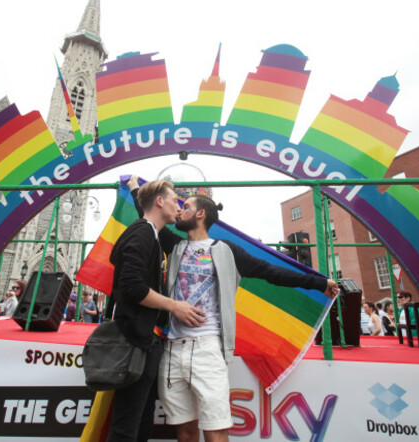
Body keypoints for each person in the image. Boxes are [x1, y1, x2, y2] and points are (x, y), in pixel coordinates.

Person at [128, 177, 339, 442]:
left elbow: (271, 272)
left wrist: (320, 283)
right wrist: (136, 188)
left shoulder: (226, 250)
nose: (180, 210)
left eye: (186, 207)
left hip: (208, 348)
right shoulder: (175, 244)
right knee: (184, 430)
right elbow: (147, 214)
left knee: (215, 430)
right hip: (172, 349)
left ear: (201, 214)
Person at [106, 179, 204, 442]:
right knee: (127, 425)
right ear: (160, 202)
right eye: (174, 199)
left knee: (141, 420)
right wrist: (175, 306)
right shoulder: (141, 232)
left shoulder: (151, 232)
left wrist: (138, 189)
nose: (178, 205)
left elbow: (147, 209)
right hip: (136, 340)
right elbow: (132, 287)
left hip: (148, 340)